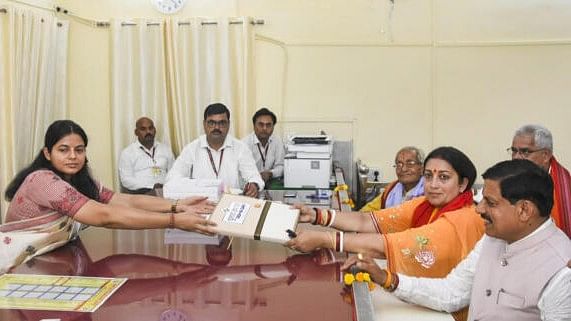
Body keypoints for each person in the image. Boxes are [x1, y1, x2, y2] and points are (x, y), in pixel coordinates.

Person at [345, 159, 571, 321]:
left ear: (524, 210)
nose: (479, 209)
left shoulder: (561, 271)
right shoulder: (493, 240)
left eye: (490, 203)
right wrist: (387, 278)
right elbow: (452, 293)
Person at [1, 120, 217, 272]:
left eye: (80, 149)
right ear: (47, 153)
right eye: (63, 150)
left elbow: (126, 199)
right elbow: (105, 216)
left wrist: (176, 205)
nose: (73, 156)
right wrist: (174, 221)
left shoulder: (79, 180)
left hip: (49, 264)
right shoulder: (42, 181)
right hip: (16, 270)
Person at [287, 146, 484, 280]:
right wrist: (315, 215)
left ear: (463, 184)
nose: (433, 185)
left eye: (443, 177)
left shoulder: (463, 218)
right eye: (428, 176)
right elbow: (367, 221)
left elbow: (388, 246)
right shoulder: (424, 204)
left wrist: (325, 240)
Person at [166, 103, 264, 197]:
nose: (216, 127)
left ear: (228, 125)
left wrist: (254, 185)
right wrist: (196, 186)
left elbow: (254, 176)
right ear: (204, 124)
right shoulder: (192, 149)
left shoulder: (240, 148)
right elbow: (172, 178)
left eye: (222, 123)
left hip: (231, 202)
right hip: (200, 204)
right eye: (211, 123)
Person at [509, 124, 571, 237]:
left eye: (525, 152)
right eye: (514, 151)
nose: (516, 157)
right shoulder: (505, 180)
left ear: (546, 155)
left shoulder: (567, 188)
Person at [118, 117, 175, 194]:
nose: (148, 132)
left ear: (155, 130)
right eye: (143, 129)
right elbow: (126, 180)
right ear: (136, 132)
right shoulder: (127, 153)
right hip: (142, 193)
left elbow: (174, 173)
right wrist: (151, 186)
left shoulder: (165, 149)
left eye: (150, 128)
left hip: (166, 191)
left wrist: (167, 186)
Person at [360, 146, 425, 211]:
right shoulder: (391, 189)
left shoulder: (429, 192)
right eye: (399, 165)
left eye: (410, 164)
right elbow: (367, 211)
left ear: (422, 168)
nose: (403, 169)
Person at [241, 107, 285, 183]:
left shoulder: (277, 141)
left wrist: (270, 173)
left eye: (268, 125)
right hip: (250, 182)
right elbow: (242, 170)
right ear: (254, 126)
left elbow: (281, 166)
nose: (264, 128)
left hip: (272, 182)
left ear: (273, 127)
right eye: (261, 124)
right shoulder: (244, 143)